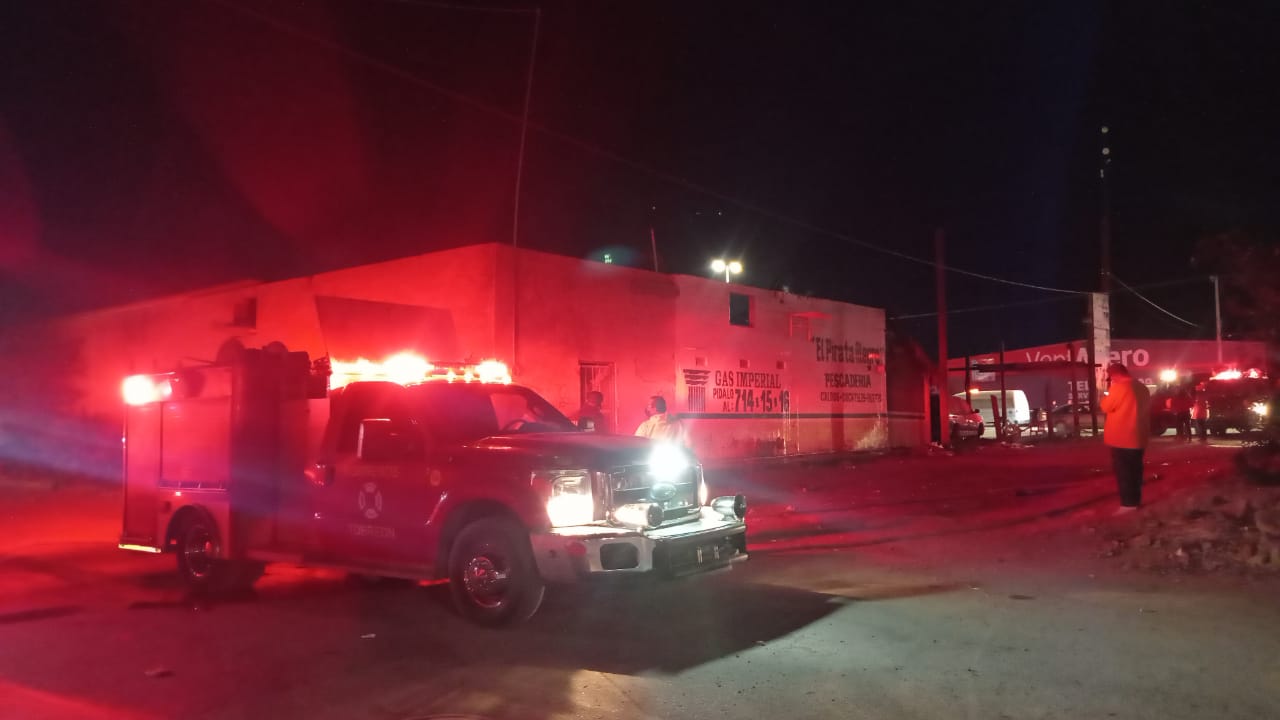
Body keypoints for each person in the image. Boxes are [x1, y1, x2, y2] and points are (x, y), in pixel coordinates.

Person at [1099, 362, 1152, 512]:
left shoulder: (1119, 387)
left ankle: (1128, 504)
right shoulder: (1142, 388)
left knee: (1125, 472)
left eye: (1111, 377)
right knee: (1136, 471)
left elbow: (1105, 406)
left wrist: (1107, 394)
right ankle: (1135, 501)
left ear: (1115, 375)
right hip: (1139, 436)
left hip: (1122, 437)